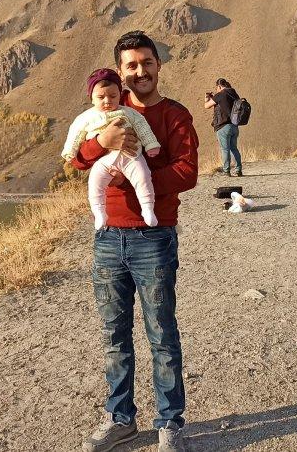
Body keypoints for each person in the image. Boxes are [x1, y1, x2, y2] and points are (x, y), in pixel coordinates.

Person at [71, 30, 199, 452]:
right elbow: (75, 158)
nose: (140, 71)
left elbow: (187, 173)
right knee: (114, 334)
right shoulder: (107, 109)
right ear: (121, 72)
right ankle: (120, 418)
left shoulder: (175, 115)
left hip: (154, 238)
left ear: (158, 65)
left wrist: (133, 180)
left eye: (147, 62)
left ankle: (170, 422)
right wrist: (98, 145)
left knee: (161, 331)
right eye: (131, 65)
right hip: (108, 238)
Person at [62, 67, 162, 228]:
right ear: (92, 98)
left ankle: (148, 208)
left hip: (132, 156)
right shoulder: (86, 117)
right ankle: (99, 212)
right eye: (101, 97)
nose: (107, 101)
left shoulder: (129, 113)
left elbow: (143, 128)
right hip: (104, 161)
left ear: (120, 94)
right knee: (95, 181)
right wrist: (70, 151)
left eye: (113, 96)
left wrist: (151, 144)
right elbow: (75, 134)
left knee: (143, 176)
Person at [204, 78, 242, 176]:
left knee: (225, 149)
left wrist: (207, 99)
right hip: (234, 126)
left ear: (219, 86)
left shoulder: (220, 95)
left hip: (223, 127)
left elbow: (206, 106)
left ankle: (226, 171)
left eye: (217, 88)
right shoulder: (234, 94)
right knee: (234, 148)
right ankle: (238, 170)